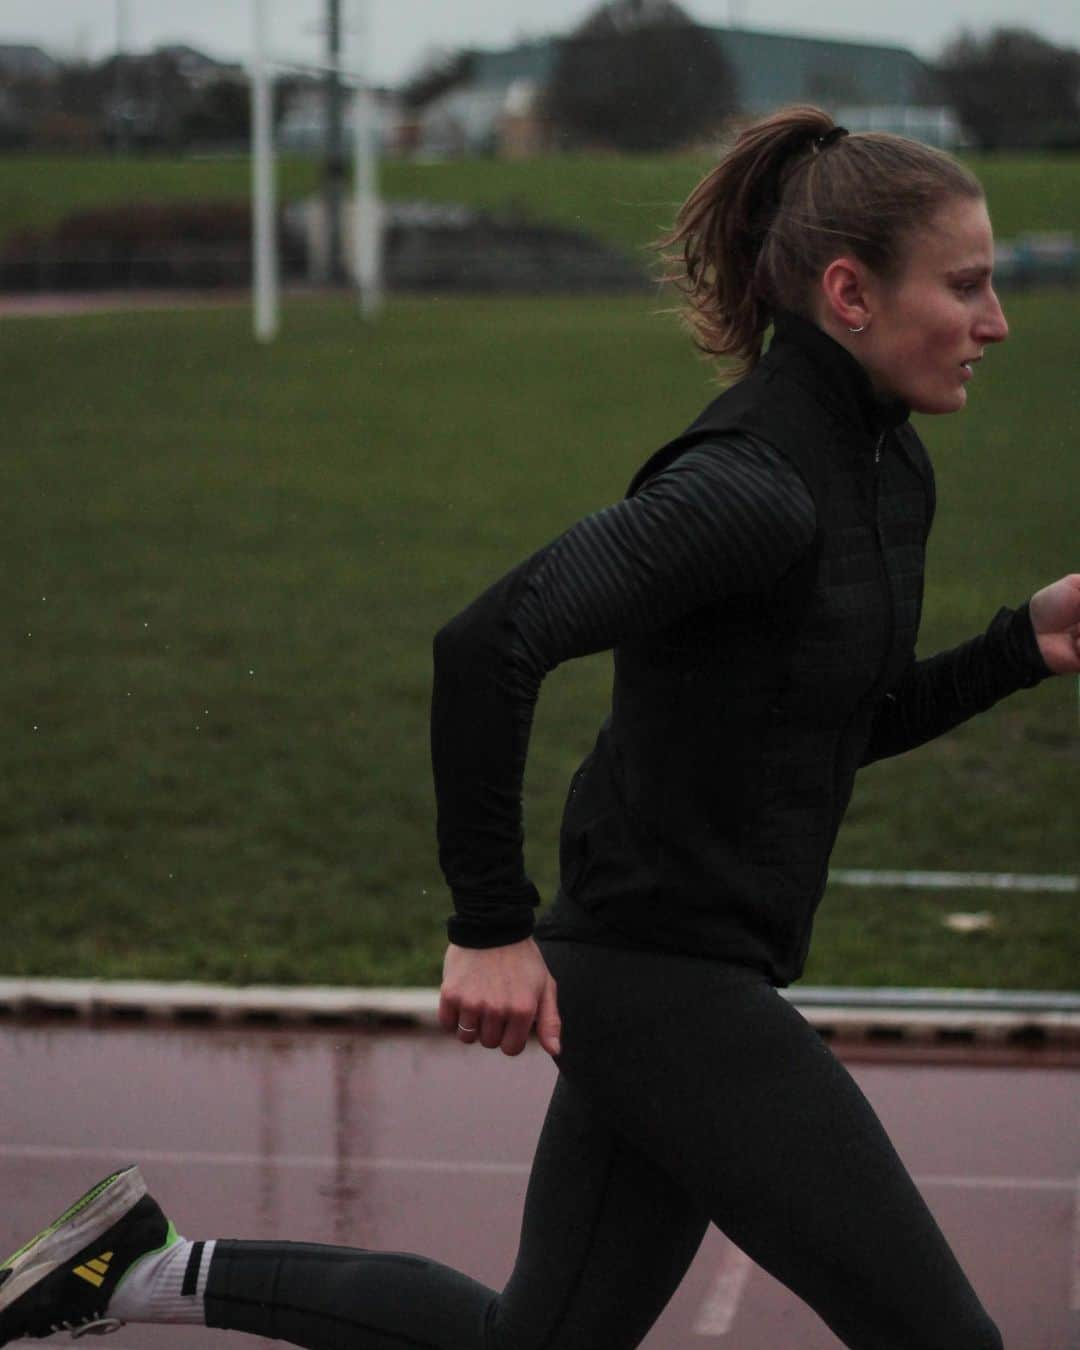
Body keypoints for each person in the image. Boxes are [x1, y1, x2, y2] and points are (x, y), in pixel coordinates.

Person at [2, 106, 1078, 1350]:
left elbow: (825, 725)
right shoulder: (750, 489)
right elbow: (487, 642)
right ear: (849, 290)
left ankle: (142, 1269)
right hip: (658, 982)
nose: (997, 322)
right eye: (969, 285)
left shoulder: (889, 473)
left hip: (684, 966)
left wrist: (1020, 649)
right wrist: (490, 926)